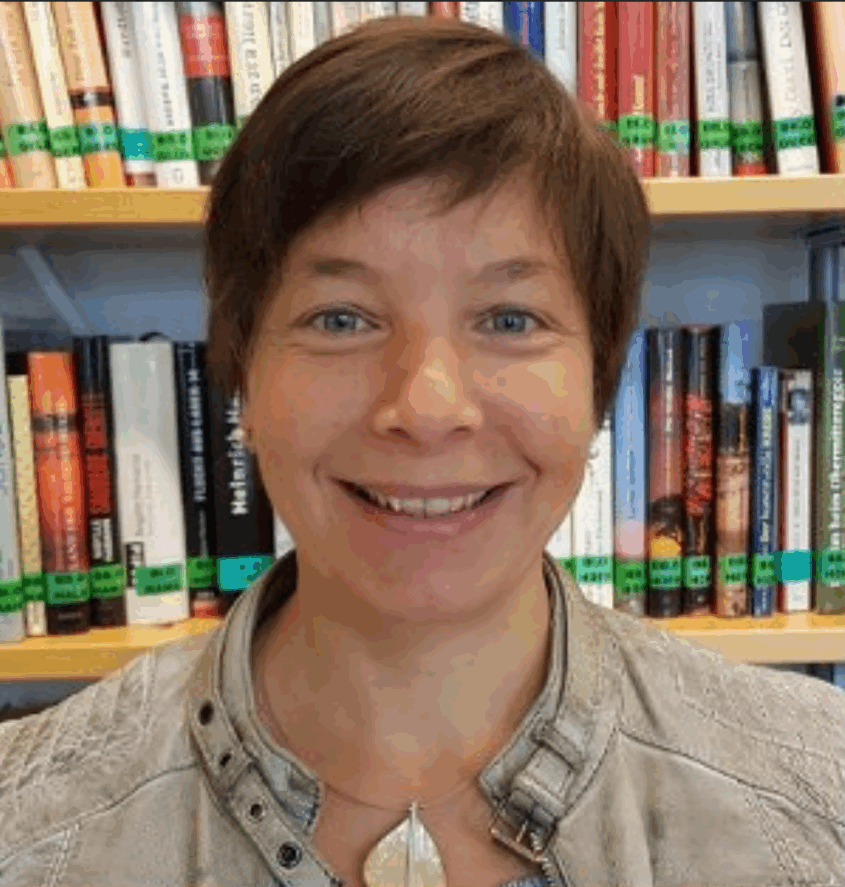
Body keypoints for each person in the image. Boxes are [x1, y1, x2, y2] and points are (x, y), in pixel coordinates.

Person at [1, 14, 844, 887]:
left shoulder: (819, 800)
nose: (427, 408)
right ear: (243, 375)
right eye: (341, 319)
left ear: (598, 380)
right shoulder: (26, 831)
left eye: (509, 319)